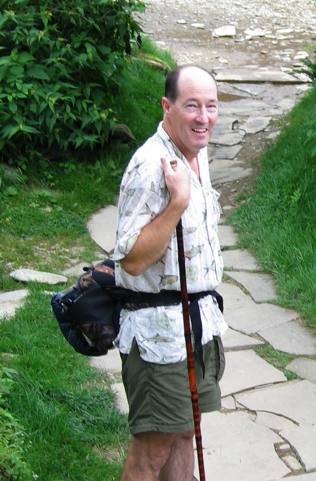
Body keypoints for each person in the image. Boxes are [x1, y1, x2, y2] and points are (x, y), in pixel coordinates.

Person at [112, 64, 227, 481]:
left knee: (182, 433)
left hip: (193, 323)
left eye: (211, 106)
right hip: (158, 331)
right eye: (191, 106)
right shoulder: (151, 166)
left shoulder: (195, 152)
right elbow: (132, 260)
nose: (203, 117)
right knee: (153, 448)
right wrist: (175, 203)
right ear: (167, 107)